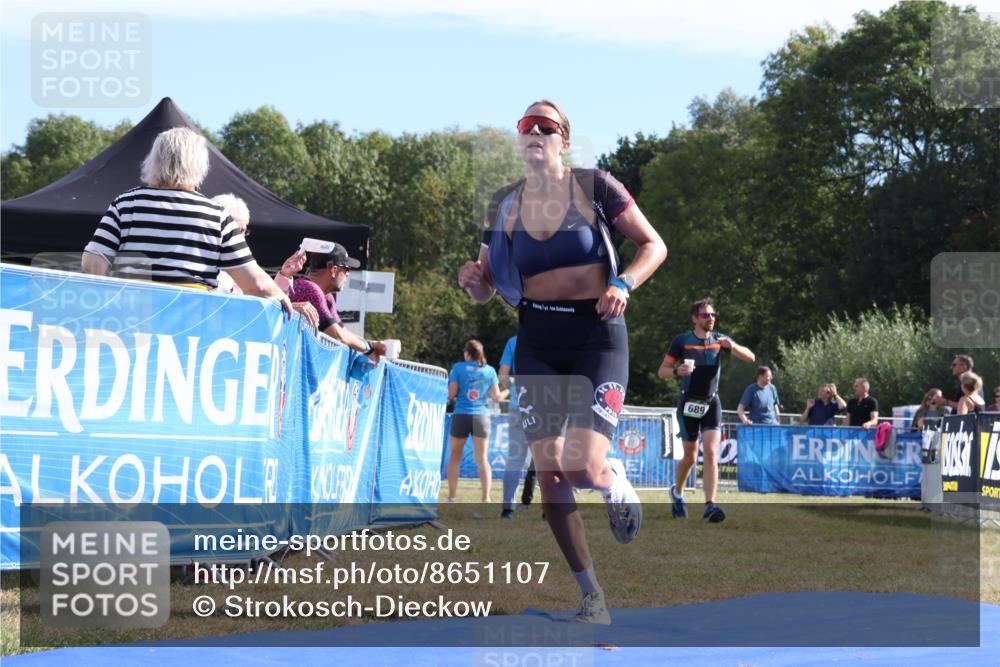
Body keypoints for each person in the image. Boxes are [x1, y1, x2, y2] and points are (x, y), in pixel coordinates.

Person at [457, 100, 667, 624]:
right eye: (525, 126)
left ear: (563, 140)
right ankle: (592, 598)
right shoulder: (503, 204)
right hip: (538, 343)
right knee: (551, 477)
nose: (533, 132)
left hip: (597, 336)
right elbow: (488, 289)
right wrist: (473, 282)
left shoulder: (596, 186)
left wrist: (624, 282)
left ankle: (608, 472)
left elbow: (653, 245)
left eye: (545, 126)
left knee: (580, 466)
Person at [82, 127, 292, 317]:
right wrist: (281, 296)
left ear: (153, 160)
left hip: (133, 320)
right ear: (200, 165)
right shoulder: (217, 215)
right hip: (190, 329)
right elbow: (255, 284)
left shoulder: (126, 204)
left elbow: (92, 263)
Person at [659, 298, 755, 525]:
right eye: (705, 315)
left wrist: (731, 346)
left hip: (712, 402)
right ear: (695, 318)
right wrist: (676, 371)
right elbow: (662, 371)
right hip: (689, 403)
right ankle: (678, 491)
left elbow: (751, 358)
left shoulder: (720, 340)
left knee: (711, 452)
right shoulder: (682, 341)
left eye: (712, 315)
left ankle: (709, 506)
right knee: (691, 456)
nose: (710, 318)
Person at [288, 243, 388, 358]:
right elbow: (337, 335)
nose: (348, 274)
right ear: (333, 270)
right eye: (346, 269)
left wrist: (374, 345)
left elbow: (343, 331)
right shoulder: (309, 289)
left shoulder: (327, 297)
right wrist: (369, 349)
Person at [446, 339, 502, 503]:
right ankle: (486, 497)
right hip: (481, 417)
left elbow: (451, 394)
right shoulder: (490, 371)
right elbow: (496, 397)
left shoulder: (458, 368)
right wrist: (507, 391)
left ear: (467, 353)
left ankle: (451, 496)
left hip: (462, 415)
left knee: (455, 457)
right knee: (482, 459)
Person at [498, 335, 531, 520]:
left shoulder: (513, 341)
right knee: (548, 458)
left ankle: (508, 509)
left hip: (518, 405)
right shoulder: (553, 335)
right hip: (547, 404)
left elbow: (504, 373)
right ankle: (550, 510)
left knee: (515, 459)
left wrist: (505, 399)